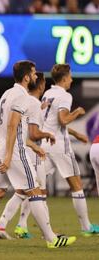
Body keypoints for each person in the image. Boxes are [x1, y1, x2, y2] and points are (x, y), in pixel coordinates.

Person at [0, 60, 76, 249]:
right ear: (26, 77)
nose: (35, 77)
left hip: (3, 147)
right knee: (35, 191)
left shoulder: (7, 94)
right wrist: (9, 156)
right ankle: (51, 239)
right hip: (14, 151)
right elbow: (12, 124)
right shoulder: (22, 96)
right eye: (33, 73)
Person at [0, 72, 55, 239]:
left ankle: (9, 225)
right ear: (41, 85)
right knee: (37, 192)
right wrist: (43, 139)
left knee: (22, 191)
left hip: (18, 149)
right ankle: (47, 234)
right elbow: (31, 134)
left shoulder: (25, 100)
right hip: (29, 153)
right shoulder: (30, 102)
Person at [40, 63, 99, 236]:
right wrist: (77, 112)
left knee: (38, 189)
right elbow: (63, 119)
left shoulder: (47, 94)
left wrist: (76, 134)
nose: (72, 80)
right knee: (77, 186)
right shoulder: (64, 96)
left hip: (45, 143)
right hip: (59, 146)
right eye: (70, 77)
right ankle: (86, 227)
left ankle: (39, 229)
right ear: (64, 78)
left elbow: (51, 123)